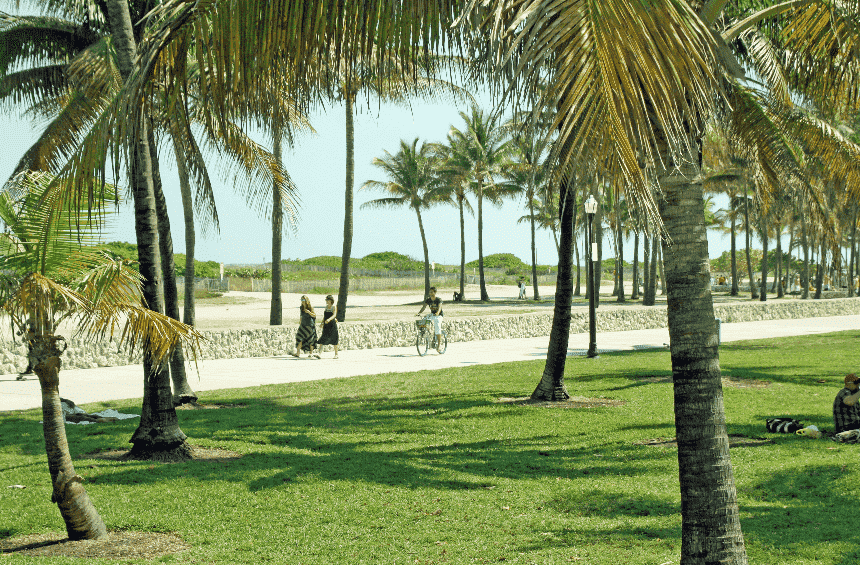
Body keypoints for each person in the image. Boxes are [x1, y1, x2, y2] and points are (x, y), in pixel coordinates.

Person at [416, 286, 444, 354]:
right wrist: (419, 313)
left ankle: (439, 344)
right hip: (432, 314)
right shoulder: (428, 300)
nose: (430, 293)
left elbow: (440, 307)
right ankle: (427, 332)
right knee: (423, 320)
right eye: (430, 292)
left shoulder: (438, 300)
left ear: (435, 292)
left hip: (438, 315)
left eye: (432, 292)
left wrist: (437, 312)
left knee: (437, 326)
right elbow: (424, 307)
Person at [317, 295, 339, 359]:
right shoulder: (326, 307)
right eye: (326, 300)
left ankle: (336, 354)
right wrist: (322, 323)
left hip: (332, 325)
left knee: (334, 339)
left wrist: (329, 319)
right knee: (323, 338)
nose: (326, 301)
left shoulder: (333, 307)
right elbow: (325, 316)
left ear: (330, 300)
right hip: (326, 325)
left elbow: (334, 315)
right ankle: (319, 354)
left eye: (327, 300)